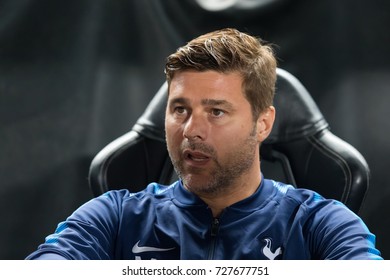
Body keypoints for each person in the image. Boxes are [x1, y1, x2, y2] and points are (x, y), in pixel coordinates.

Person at [26, 28, 382, 260]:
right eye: (180, 109)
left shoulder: (320, 223)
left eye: (216, 111)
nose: (191, 130)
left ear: (263, 123)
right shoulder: (116, 216)